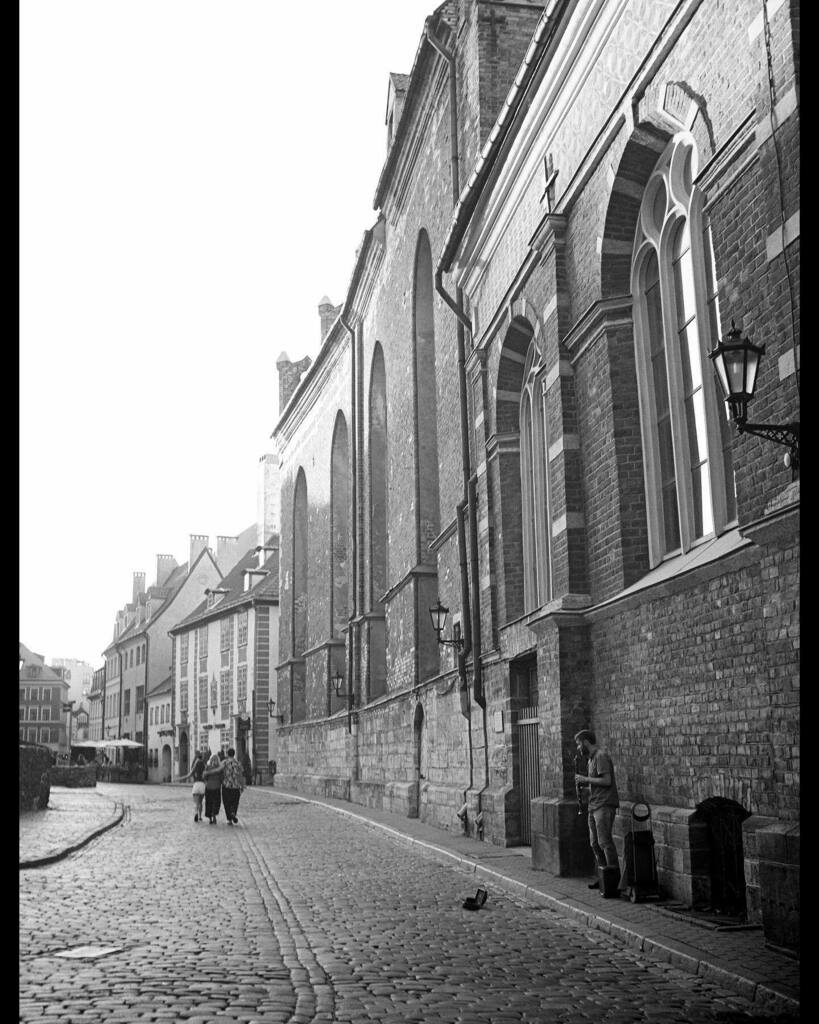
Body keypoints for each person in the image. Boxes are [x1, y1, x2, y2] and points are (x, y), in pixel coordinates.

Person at [574, 729, 620, 889]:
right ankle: (603, 876)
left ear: (586, 742)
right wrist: (585, 789)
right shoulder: (590, 760)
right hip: (594, 805)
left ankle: (613, 879)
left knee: (604, 842)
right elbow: (597, 784)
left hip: (604, 805)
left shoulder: (600, 757)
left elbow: (607, 781)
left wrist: (586, 779)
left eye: (579, 744)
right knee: (594, 843)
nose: (579, 748)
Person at [177, 749, 207, 822]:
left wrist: (179, 778)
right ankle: (200, 816)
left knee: (196, 803)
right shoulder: (204, 766)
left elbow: (188, 776)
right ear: (202, 758)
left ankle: (196, 812)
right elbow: (206, 776)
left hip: (196, 785)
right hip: (202, 785)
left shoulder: (195, 767)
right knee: (200, 802)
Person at [220, 747, 245, 825]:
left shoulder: (224, 762)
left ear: (227, 754)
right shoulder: (238, 763)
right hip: (236, 786)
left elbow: (220, 772)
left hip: (226, 785)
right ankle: (233, 812)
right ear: (234, 754)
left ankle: (229, 819)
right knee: (235, 802)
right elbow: (241, 775)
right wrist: (242, 786)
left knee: (226, 802)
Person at [203, 752, 224, 824]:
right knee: (216, 802)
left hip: (208, 787)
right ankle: (214, 815)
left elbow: (204, 776)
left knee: (209, 802)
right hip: (217, 787)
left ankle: (210, 819)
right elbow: (221, 778)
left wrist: (206, 782)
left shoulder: (207, 767)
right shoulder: (219, 768)